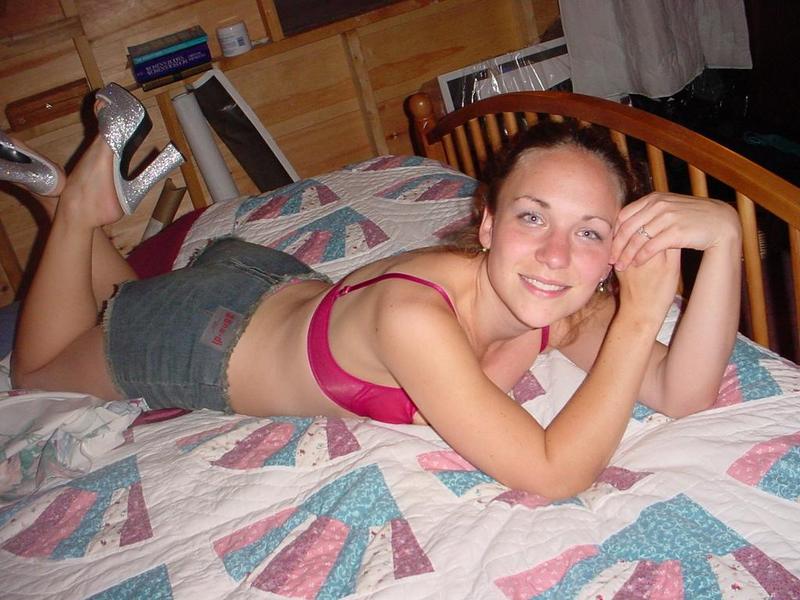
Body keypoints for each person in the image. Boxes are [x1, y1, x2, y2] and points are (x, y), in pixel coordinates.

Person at [2, 84, 742, 499]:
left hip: (272, 283)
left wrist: (726, 241)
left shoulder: (560, 295)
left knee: (133, 299)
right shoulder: (413, 317)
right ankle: (73, 206)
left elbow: (683, 392)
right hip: (207, 340)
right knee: (34, 373)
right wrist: (642, 314)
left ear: (612, 251)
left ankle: (84, 210)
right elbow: (553, 472)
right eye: (531, 217)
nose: (556, 254)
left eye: (588, 232)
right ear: (486, 224)